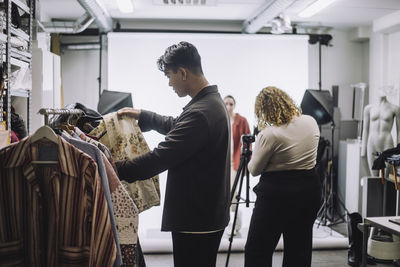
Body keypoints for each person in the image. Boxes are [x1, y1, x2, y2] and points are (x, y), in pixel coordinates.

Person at [115, 41, 231, 267]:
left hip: (196, 219)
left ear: (183, 72)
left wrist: (111, 167)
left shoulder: (201, 113)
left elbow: (160, 158)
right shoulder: (211, 103)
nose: (169, 83)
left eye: (169, 76)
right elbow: (177, 125)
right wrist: (143, 115)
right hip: (206, 215)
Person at [245, 86, 321, 267]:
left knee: (258, 250)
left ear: (263, 111)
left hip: (276, 196)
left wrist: (253, 153)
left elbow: (254, 169)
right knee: (299, 249)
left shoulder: (269, 134)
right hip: (309, 190)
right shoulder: (311, 122)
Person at [223, 95, 250, 236]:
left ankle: (234, 225)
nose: (228, 106)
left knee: (232, 195)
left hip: (235, 164)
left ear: (234, 105)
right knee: (224, 195)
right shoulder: (220, 120)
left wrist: (245, 164)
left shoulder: (241, 121)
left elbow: (247, 143)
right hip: (222, 165)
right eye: (226, 103)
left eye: (231, 103)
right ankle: (233, 225)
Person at [361, 86, 400, 176]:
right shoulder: (368, 108)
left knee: (385, 178)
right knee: (374, 176)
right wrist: (363, 149)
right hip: (372, 143)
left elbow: (399, 131)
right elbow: (365, 129)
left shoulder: (395, 108)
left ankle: (385, 190)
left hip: (387, 143)